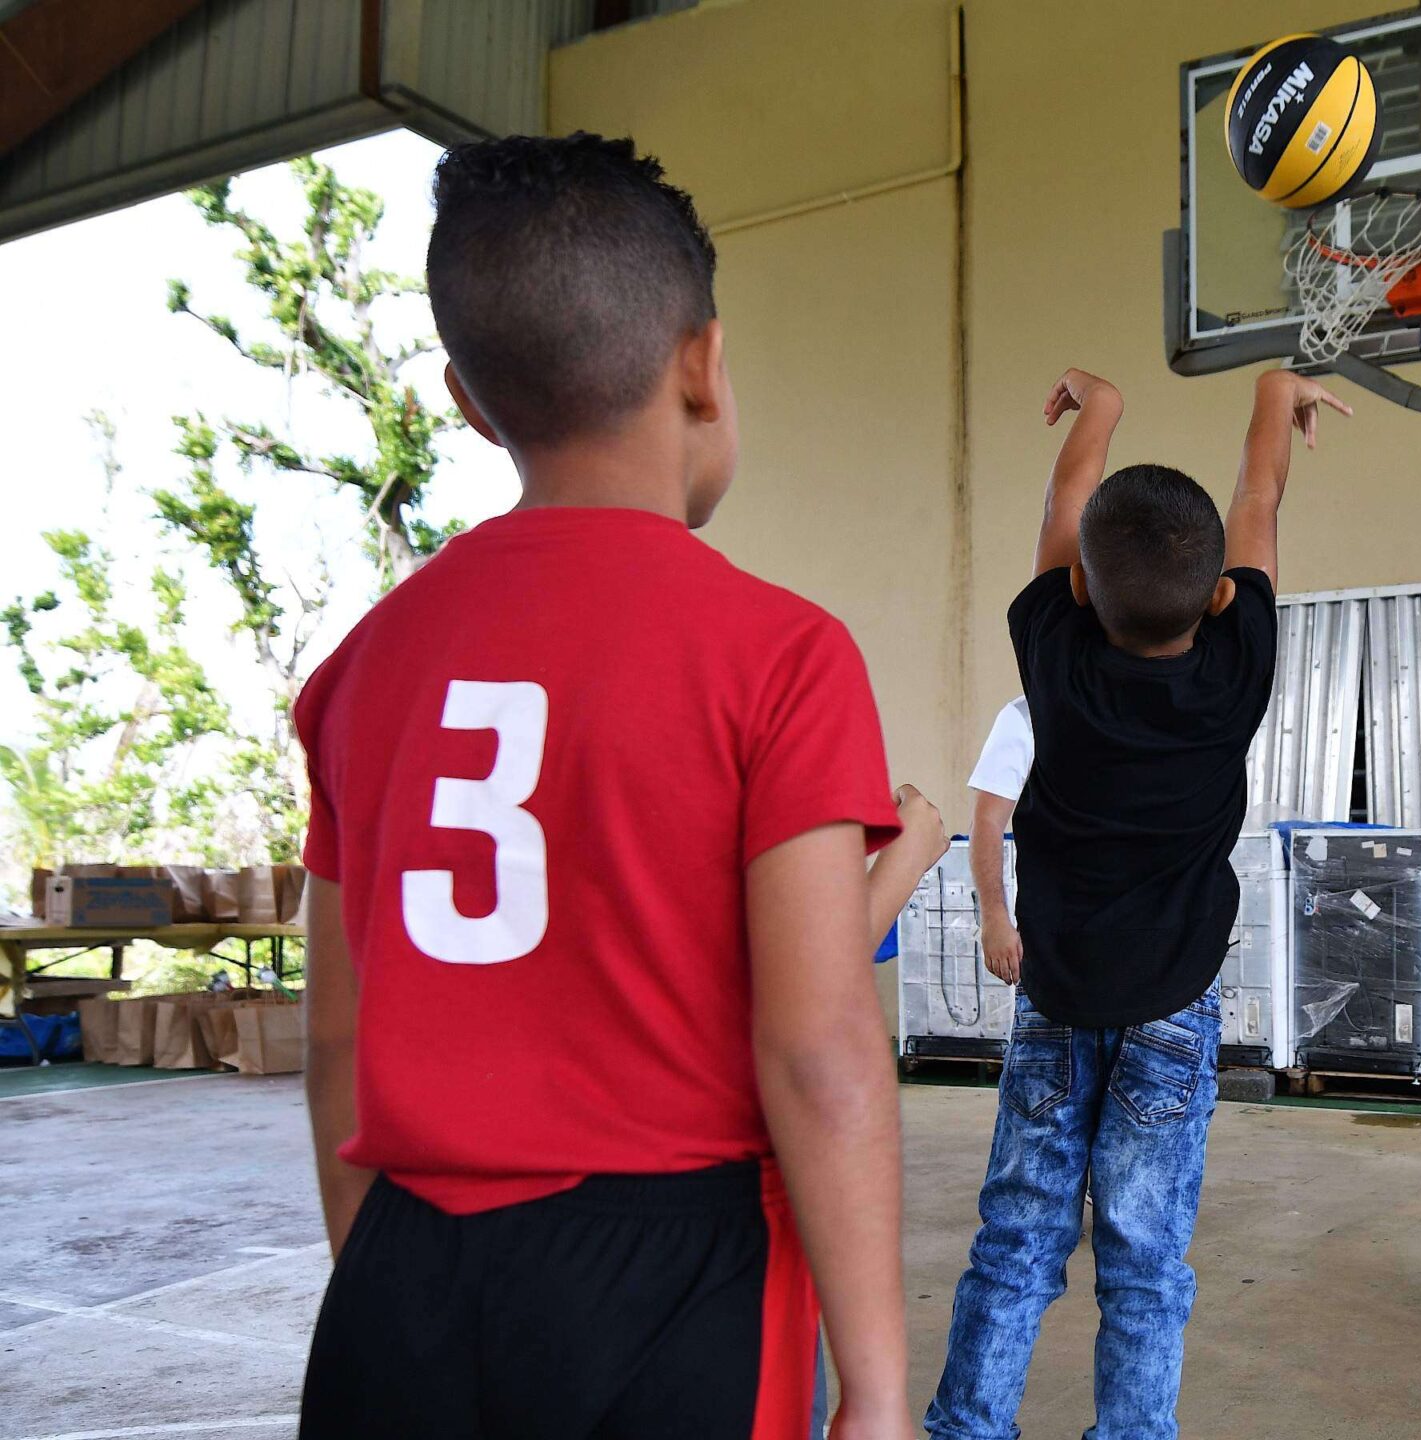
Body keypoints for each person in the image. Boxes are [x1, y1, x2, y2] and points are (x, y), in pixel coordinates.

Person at [294, 134, 946, 1440]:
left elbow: (335, 1045)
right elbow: (816, 1048)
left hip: (408, 1263)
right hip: (677, 1271)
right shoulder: (782, 655)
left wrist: (387, 1279)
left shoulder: (361, 668)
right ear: (703, 363)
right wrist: (877, 1386)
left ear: (472, 404)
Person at [923, 365, 1346, 1440]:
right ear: (1217, 601)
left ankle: (967, 1427)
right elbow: (1258, 500)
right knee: (1146, 1262)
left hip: (1056, 1005)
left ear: (1074, 595)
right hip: (1172, 1011)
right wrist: (1273, 394)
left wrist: (1099, 407)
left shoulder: (1054, 658)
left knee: (1015, 1241)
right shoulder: (1235, 668)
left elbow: (1065, 512)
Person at [967, 697, 1032, 983]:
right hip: (1051, 939)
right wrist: (993, 918)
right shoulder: (1024, 715)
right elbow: (987, 822)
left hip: (1159, 939)